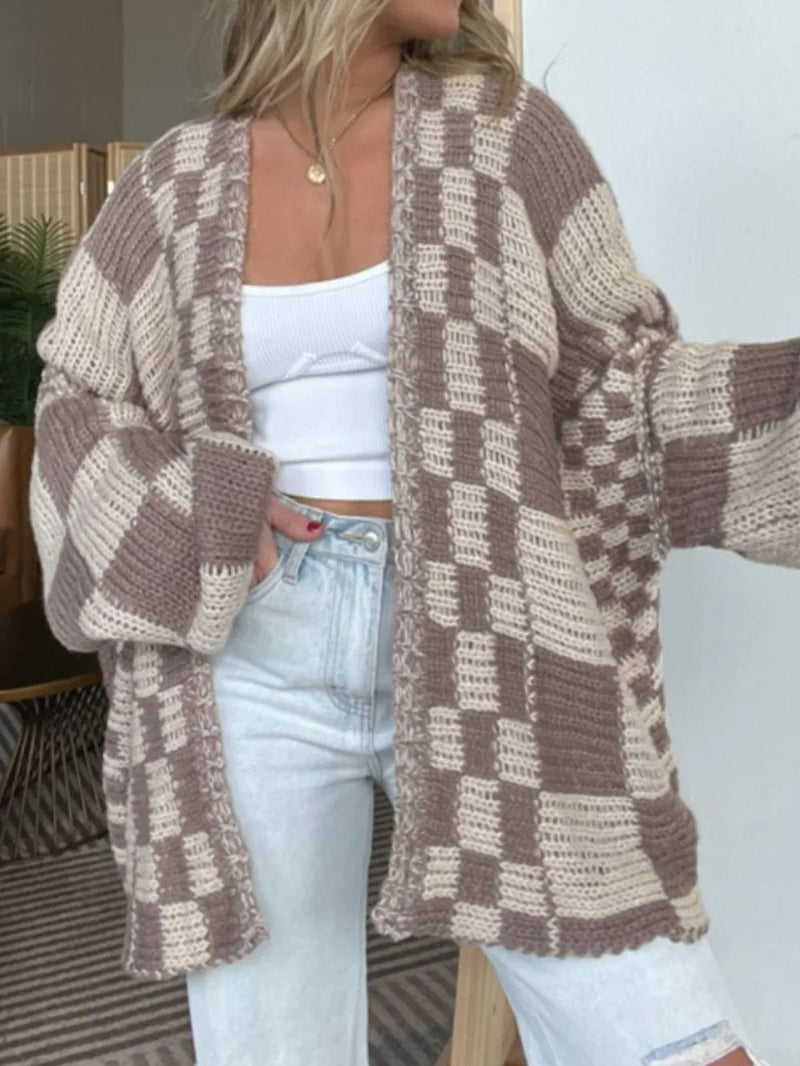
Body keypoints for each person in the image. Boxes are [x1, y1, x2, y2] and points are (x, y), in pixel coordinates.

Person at [28, 0, 795, 1063]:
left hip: (494, 630)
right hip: (248, 655)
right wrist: (204, 507)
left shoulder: (510, 137)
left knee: (675, 1039)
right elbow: (73, 403)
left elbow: (620, 391)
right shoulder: (170, 185)